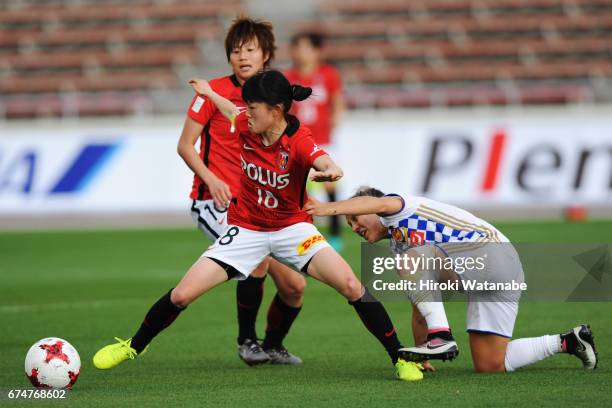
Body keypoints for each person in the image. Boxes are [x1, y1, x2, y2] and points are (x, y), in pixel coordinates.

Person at [93, 71, 424, 382]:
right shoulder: (247, 123)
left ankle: (400, 358)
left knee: (352, 286)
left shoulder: (297, 140)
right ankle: (133, 346)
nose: (245, 113)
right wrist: (208, 93)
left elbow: (322, 158)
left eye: (252, 107)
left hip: (293, 230)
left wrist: (331, 170)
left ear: (276, 110)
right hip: (247, 229)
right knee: (181, 294)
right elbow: (228, 108)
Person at [305, 187, 599, 372]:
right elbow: (421, 308)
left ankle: (442, 337)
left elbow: (380, 204)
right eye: (349, 224)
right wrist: (422, 356)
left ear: (370, 207)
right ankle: (568, 341)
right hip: (497, 273)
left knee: (410, 259)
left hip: (491, 253)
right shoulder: (402, 248)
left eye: (355, 218)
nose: (354, 226)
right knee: (491, 364)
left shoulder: (398, 207)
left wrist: (327, 209)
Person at [176, 17, 305, 365]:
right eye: (235, 50)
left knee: (295, 288)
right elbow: (185, 146)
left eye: (250, 49)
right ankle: (246, 341)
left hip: (261, 206)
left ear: (266, 56)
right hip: (213, 202)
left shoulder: (275, 98)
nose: (242, 56)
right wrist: (212, 178)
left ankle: (273, 344)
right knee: (258, 261)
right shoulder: (212, 93)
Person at [285, 31, 345, 251]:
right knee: (300, 189)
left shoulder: (328, 74)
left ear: (317, 51)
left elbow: (337, 102)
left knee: (330, 184)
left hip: (323, 140)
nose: (301, 52)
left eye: (306, 47)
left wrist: (334, 124)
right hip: (296, 141)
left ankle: (336, 234)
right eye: (297, 47)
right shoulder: (288, 76)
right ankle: (303, 234)